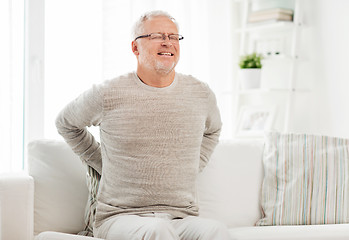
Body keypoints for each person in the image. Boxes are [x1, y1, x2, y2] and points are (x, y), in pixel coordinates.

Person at [56, 10, 229, 240]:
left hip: (180, 217)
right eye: (157, 35)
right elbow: (66, 123)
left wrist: (194, 164)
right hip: (120, 218)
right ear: (135, 48)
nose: (168, 42)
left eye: (174, 37)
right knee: (156, 230)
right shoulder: (108, 93)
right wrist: (104, 162)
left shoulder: (200, 93)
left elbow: (213, 130)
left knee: (216, 230)